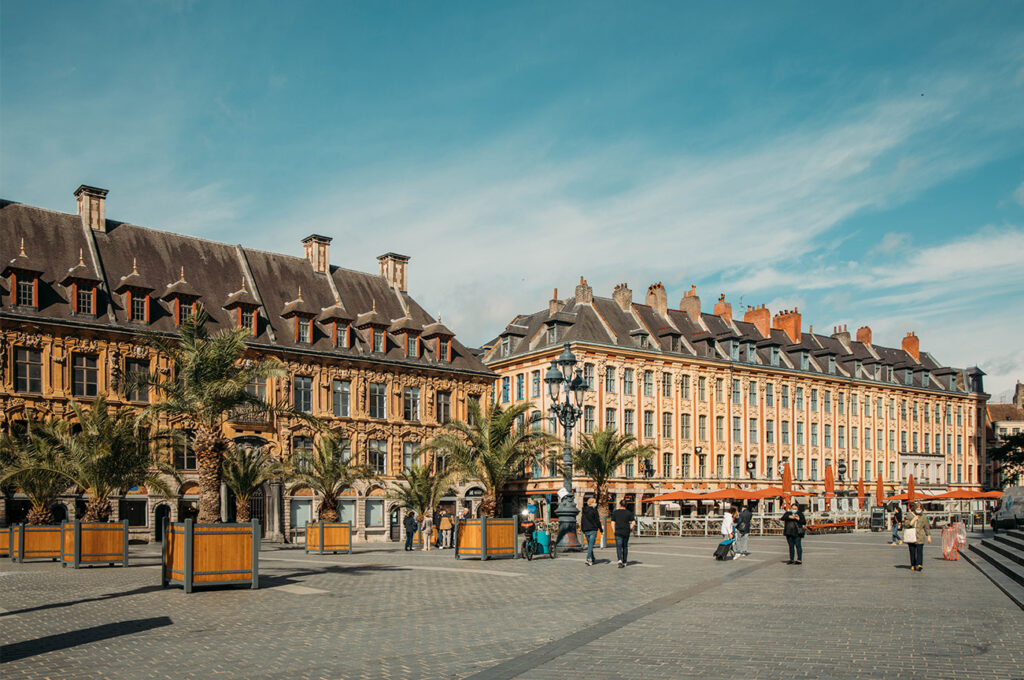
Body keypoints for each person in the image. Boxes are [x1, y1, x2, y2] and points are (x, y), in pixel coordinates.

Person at [905, 502, 932, 571]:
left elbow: (926, 527)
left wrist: (928, 535)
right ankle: (913, 564)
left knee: (920, 550)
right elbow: (906, 525)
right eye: (917, 508)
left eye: (920, 508)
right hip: (911, 535)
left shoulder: (924, 517)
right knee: (912, 551)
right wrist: (913, 520)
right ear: (914, 508)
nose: (919, 510)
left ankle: (919, 564)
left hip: (920, 535)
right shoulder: (909, 515)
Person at [611, 499, 636, 568]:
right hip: (626, 531)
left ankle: (619, 560)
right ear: (626, 505)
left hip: (618, 531)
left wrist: (614, 530)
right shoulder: (629, 513)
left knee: (618, 547)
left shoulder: (615, 512)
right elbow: (634, 523)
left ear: (620, 504)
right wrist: (630, 528)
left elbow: (613, 523)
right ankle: (625, 561)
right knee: (625, 546)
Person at [581, 497, 601, 566]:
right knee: (590, 545)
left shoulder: (584, 510)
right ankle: (588, 558)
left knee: (590, 545)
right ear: (592, 503)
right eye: (595, 502)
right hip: (593, 529)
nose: (596, 503)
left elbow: (582, 520)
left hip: (586, 529)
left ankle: (592, 558)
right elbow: (597, 521)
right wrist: (601, 529)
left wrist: (582, 529)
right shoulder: (594, 511)